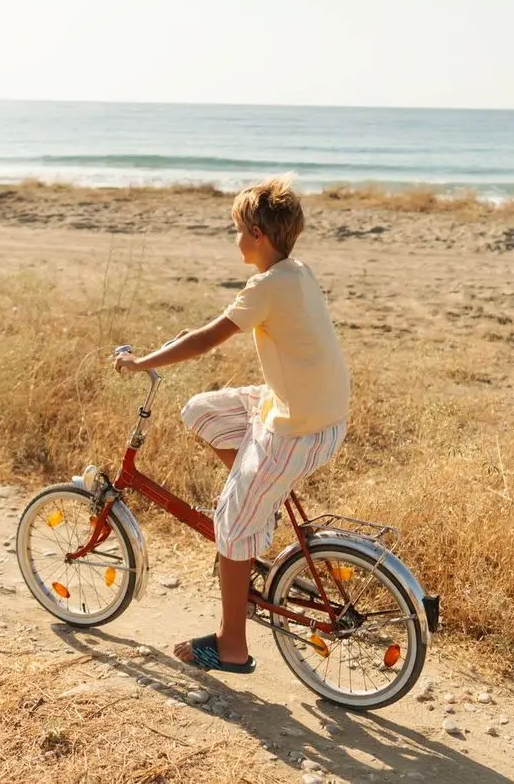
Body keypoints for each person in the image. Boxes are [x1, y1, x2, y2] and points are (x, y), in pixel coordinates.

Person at [113, 174, 350, 673]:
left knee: (229, 526)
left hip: (297, 427)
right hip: (305, 409)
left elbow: (205, 339)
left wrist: (141, 363)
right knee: (202, 410)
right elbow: (223, 329)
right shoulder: (296, 273)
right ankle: (255, 507)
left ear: (259, 236)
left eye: (239, 229)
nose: (235, 238)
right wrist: (181, 343)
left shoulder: (267, 285)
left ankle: (231, 647)